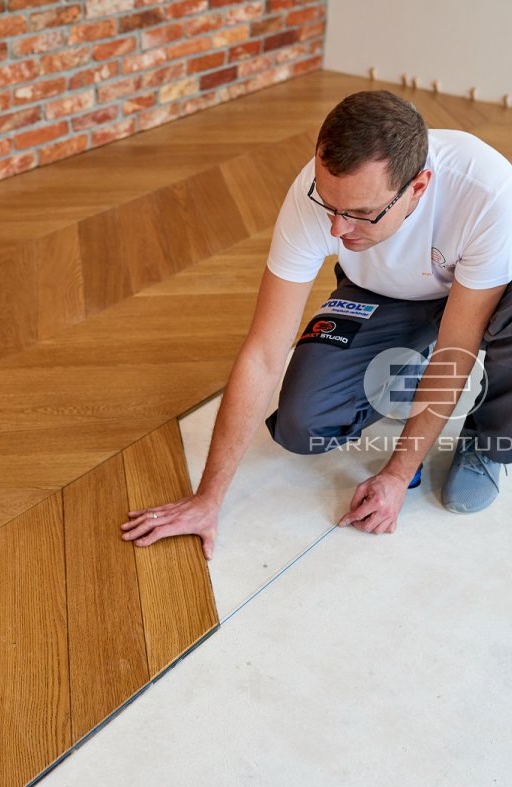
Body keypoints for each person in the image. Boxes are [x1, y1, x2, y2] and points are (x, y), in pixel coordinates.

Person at [121, 90, 512, 559]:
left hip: (479, 293)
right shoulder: (315, 193)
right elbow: (264, 352)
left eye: (361, 214)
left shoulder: (488, 193)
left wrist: (396, 471)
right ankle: (404, 363)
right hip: (382, 292)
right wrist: (208, 500)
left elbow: (457, 350)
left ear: (419, 187)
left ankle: (487, 442)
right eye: (329, 205)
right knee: (302, 425)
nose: (336, 230)